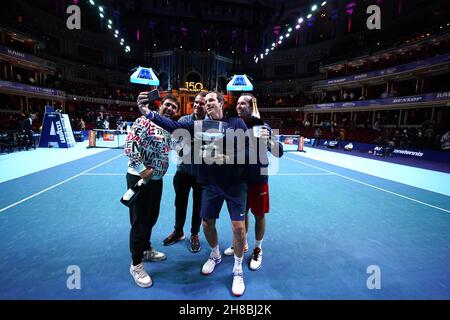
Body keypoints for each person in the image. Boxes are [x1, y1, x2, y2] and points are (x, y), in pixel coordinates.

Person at [137, 90, 249, 296]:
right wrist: (148, 113)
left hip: (235, 185)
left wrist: (232, 157)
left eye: (212, 100)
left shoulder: (237, 123)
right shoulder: (198, 126)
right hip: (211, 184)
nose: (207, 104)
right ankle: (215, 255)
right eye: (205, 102)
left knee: (239, 228)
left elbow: (249, 149)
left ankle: (238, 269)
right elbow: (174, 126)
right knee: (206, 223)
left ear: (222, 103)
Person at [223, 93, 284, 272]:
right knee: (242, 214)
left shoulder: (263, 127)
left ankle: (258, 247)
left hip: (258, 180)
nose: (238, 106)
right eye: (238, 103)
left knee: (259, 214)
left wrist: (270, 141)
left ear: (252, 107)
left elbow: (278, 152)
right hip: (239, 180)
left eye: (243, 103)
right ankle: (242, 243)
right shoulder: (234, 126)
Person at [124, 94, 180, 288]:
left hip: (157, 180)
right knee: (139, 221)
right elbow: (130, 145)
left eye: (174, 107)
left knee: (151, 217)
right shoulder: (144, 120)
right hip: (139, 177)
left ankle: (146, 248)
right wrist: (142, 170)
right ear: (160, 105)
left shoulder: (170, 130)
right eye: (168, 104)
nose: (170, 108)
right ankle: (136, 264)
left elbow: (180, 148)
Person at [162, 92, 207, 252]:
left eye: (201, 103)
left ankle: (194, 234)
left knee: (198, 207)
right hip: (182, 172)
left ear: (207, 105)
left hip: (202, 175)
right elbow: (175, 143)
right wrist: (185, 146)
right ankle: (178, 231)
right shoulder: (183, 121)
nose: (197, 105)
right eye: (195, 102)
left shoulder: (211, 124)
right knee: (180, 204)